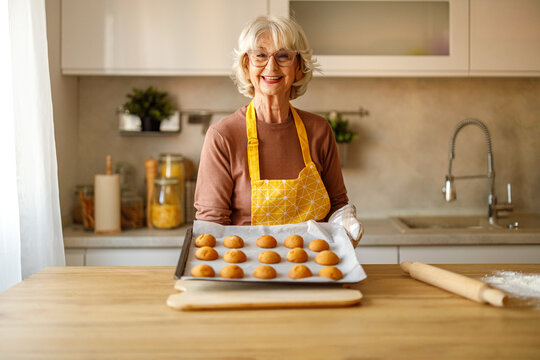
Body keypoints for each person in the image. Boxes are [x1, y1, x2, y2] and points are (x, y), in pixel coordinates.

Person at [194, 15, 361, 245]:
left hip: (314, 268)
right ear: (246, 65)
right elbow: (212, 226)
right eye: (260, 55)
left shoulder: (319, 131)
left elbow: (337, 205)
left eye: (283, 56)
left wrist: (346, 222)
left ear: (299, 68)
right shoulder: (223, 136)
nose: (271, 66)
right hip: (248, 271)